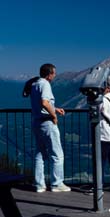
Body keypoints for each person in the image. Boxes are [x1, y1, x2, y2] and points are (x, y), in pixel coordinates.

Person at [30, 63, 71, 193]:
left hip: (37, 122)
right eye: (54, 73)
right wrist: (54, 116)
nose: (55, 75)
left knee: (40, 153)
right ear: (49, 74)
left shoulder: (35, 84)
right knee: (57, 154)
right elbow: (44, 102)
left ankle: (39, 185)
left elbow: (41, 104)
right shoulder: (45, 84)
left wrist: (55, 109)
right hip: (47, 123)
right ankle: (57, 184)